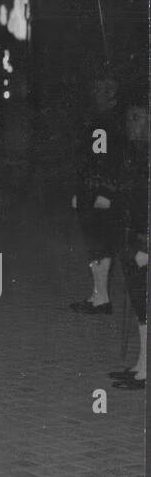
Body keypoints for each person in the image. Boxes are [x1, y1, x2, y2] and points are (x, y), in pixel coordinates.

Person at [70, 74, 125, 315]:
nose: (95, 95)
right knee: (94, 245)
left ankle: (101, 298)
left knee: (100, 244)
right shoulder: (98, 120)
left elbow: (103, 161)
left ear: (110, 97)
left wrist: (103, 193)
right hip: (90, 191)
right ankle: (97, 295)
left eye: (100, 91)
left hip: (98, 193)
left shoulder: (105, 123)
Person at [111, 102, 148, 390]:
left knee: (145, 304)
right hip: (130, 236)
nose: (131, 124)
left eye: (138, 118)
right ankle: (141, 364)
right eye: (129, 118)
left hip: (144, 240)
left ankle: (145, 370)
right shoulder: (134, 153)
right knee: (139, 304)